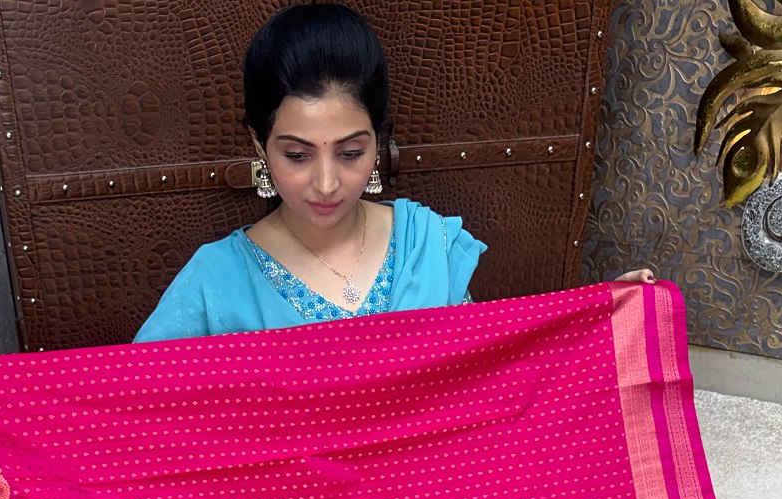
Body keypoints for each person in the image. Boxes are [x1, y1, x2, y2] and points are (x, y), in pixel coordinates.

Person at [135, 3, 653, 344]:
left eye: (350, 153)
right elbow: (135, 406)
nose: (326, 184)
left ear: (379, 143)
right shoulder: (216, 280)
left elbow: (485, 370)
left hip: (430, 478)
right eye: (297, 155)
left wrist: (595, 321)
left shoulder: (423, 243)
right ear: (259, 146)